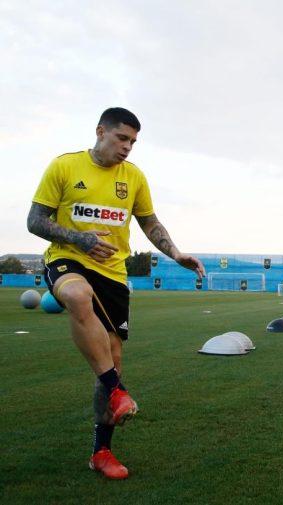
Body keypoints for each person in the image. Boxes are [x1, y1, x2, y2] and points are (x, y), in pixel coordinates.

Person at [26, 107, 206, 480]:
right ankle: (116, 389)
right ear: (100, 131)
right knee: (78, 296)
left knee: (113, 357)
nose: (127, 147)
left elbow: (149, 222)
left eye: (133, 142)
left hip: (113, 273)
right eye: (122, 138)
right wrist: (80, 238)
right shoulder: (64, 166)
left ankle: (101, 452)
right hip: (68, 259)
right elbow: (35, 220)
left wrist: (175, 254)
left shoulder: (134, 177)